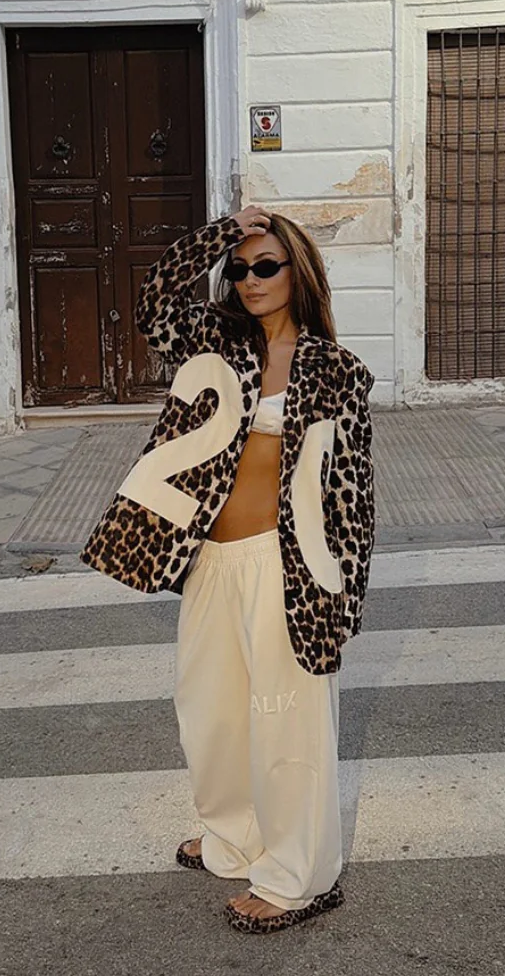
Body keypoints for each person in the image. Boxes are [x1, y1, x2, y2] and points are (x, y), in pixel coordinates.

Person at [81, 204, 375, 934]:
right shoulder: (216, 340)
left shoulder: (335, 371)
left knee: (287, 723)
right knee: (210, 714)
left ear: (298, 271)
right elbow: (153, 301)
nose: (250, 278)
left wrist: (342, 602)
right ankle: (236, 837)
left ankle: (299, 876)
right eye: (239, 268)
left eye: (266, 265)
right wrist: (220, 234)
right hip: (209, 558)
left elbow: (352, 497)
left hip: (286, 564)